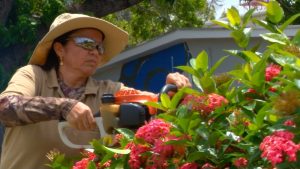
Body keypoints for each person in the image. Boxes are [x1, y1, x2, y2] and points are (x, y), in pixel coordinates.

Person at [0, 13, 191, 169]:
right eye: (86, 43)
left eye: (99, 47)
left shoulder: (108, 91)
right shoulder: (33, 75)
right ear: (59, 49)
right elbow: (4, 107)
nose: (95, 51)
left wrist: (173, 94)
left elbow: (151, 105)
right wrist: (63, 107)